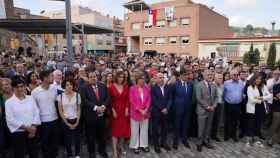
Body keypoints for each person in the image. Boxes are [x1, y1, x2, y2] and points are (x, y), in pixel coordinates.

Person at [5, 76, 41, 158]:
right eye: (17, 87)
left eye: (22, 86)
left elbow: (36, 112)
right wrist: (27, 128)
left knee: (34, 153)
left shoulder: (30, 98)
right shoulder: (9, 102)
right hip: (18, 134)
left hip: (32, 132)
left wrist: (34, 127)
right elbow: (10, 119)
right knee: (19, 154)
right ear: (13, 88)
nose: (20, 89)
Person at [79, 72, 110, 158]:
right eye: (91, 77)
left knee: (102, 135)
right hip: (90, 117)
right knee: (90, 136)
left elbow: (108, 97)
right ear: (88, 78)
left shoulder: (102, 86)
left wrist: (103, 106)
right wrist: (96, 107)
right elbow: (84, 100)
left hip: (102, 116)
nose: (93, 78)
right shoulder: (83, 88)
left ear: (97, 77)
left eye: (95, 76)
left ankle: (102, 150)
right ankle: (91, 153)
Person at [31, 70, 60, 158]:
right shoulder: (35, 92)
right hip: (43, 122)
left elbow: (58, 100)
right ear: (45, 78)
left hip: (55, 119)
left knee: (54, 141)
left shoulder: (54, 88)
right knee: (45, 142)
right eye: (51, 76)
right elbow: (33, 109)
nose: (53, 78)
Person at [245, 73, 271, 147]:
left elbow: (269, 96)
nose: (258, 80)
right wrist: (260, 100)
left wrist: (261, 98)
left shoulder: (263, 86)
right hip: (252, 109)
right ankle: (249, 141)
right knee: (251, 125)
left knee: (258, 124)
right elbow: (251, 100)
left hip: (261, 108)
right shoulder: (250, 87)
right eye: (257, 79)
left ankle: (256, 140)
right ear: (254, 79)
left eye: (260, 79)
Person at [57, 78, 81, 158]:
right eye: (67, 85)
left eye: (71, 84)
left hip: (75, 119)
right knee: (68, 140)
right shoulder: (60, 96)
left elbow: (78, 109)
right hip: (65, 120)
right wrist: (67, 123)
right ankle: (70, 154)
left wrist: (77, 121)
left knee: (77, 139)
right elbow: (60, 111)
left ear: (73, 85)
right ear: (64, 86)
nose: (69, 86)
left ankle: (77, 154)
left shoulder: (77, 95)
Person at [108, 71, 130, 158]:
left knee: (123, 131)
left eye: (122, 77)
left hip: (124, 111)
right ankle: (115, 152)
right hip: (115, 111)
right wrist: (113, 110)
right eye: (119, 77)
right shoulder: (111, 87)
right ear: (116, 77)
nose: (121, 78)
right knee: (115, 132)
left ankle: (120, 146)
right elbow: (110, 100)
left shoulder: (126, 86)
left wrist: (127, 108)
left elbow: (128, 99)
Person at [170, 70, 193, 150]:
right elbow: (171, 97)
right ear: (180, 76)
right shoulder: (175, 84)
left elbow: (190, 96)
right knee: (177, 125)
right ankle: (175, 141)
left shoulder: (190, 84)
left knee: (185, 125)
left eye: (187, 75)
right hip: (178, 109)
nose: (186, 76)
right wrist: (174, 107)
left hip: (187, 109)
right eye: (184, 75)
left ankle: (184, 140)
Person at [129, 73, 151, 154]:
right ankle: (135, 146)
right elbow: (131, 101)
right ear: (137, 80)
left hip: (145, 113)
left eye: (143, 79)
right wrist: (139, 110)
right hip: (135, 113)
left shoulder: (147, 88)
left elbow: (149, 99)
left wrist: (146, 109)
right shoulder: (132, 88)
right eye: (141, 79)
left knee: (144, 130)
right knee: (135, 130)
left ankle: (144, 145)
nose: (142, 80)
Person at [196, 70, 218, 152]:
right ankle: (199, 143)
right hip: (202, 110)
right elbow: (199, 98)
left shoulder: (213, 85)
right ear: (204, 75)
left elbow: (216, 97)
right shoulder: (199, 85)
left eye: (211, 75)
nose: (210, 76)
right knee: (201, 128)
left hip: (211, 110)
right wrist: (207, 106)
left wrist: (214, 106)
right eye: (208, 75)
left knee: (208, 127)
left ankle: (206, 141)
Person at [151, 73, 172, 153]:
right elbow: (154, 100)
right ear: (156, 79)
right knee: (155, 129)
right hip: (157, 112)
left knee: (165, 128)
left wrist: (167, 108)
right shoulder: (153, 88)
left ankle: (163, 143)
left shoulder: (168, 87)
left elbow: (170, 99)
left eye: (163, 77)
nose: (161, 79)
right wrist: (162, 108)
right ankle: (156, 145)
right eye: (160, 77)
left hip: (166, 112)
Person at [223, 70, 244, 142]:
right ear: (231, 75)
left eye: (237, 74)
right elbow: (223, 93)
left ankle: (233, 135)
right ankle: (226, 135)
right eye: (234, 75)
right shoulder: (226, 83)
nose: (236, 76)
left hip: (238, 105)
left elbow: (242, 93)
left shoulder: (241, 83)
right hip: (228, 104)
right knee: (227, 120)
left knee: (235, 121)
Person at [211, 73, 224, 141]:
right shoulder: (211, 85)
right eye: (219, 78)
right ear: (215, 78)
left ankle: (215, 135)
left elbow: (222, 95)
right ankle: (209, 134)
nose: (221, 80)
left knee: (217, 121)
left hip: (220, 104)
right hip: (212, 105)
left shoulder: (222, 86)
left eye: (222, 78)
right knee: (211, 120)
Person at [267, 81, 280, 147]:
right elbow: (278, 95)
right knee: (275, 124)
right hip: (277, 109)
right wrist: (278, 97)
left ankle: (278, 139)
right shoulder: (277, 86)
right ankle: (270, 139)